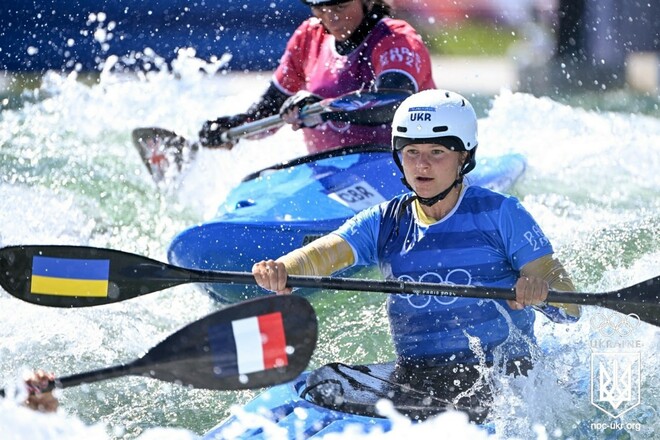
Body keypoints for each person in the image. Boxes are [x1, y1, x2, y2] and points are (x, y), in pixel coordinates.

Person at [252, 89, 581, 421]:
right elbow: (322, 254)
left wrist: (540, 291)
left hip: (502, 378)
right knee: (322, 385)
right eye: (411, 152)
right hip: (417, 377)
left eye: (437, 152)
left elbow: (571, 308)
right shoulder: (385, 220)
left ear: (464, 157)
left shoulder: (502, 214)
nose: (422, 164)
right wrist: (282, 268)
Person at [199, 0, 436, 154]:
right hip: (330, 171)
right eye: (321, 9)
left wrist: (325, 108)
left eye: (340, 7)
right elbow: (273, 108)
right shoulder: (308, 37)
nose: (331, 18)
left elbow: (398, 104)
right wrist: (236, 125)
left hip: (397, 165)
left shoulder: (396, 39)